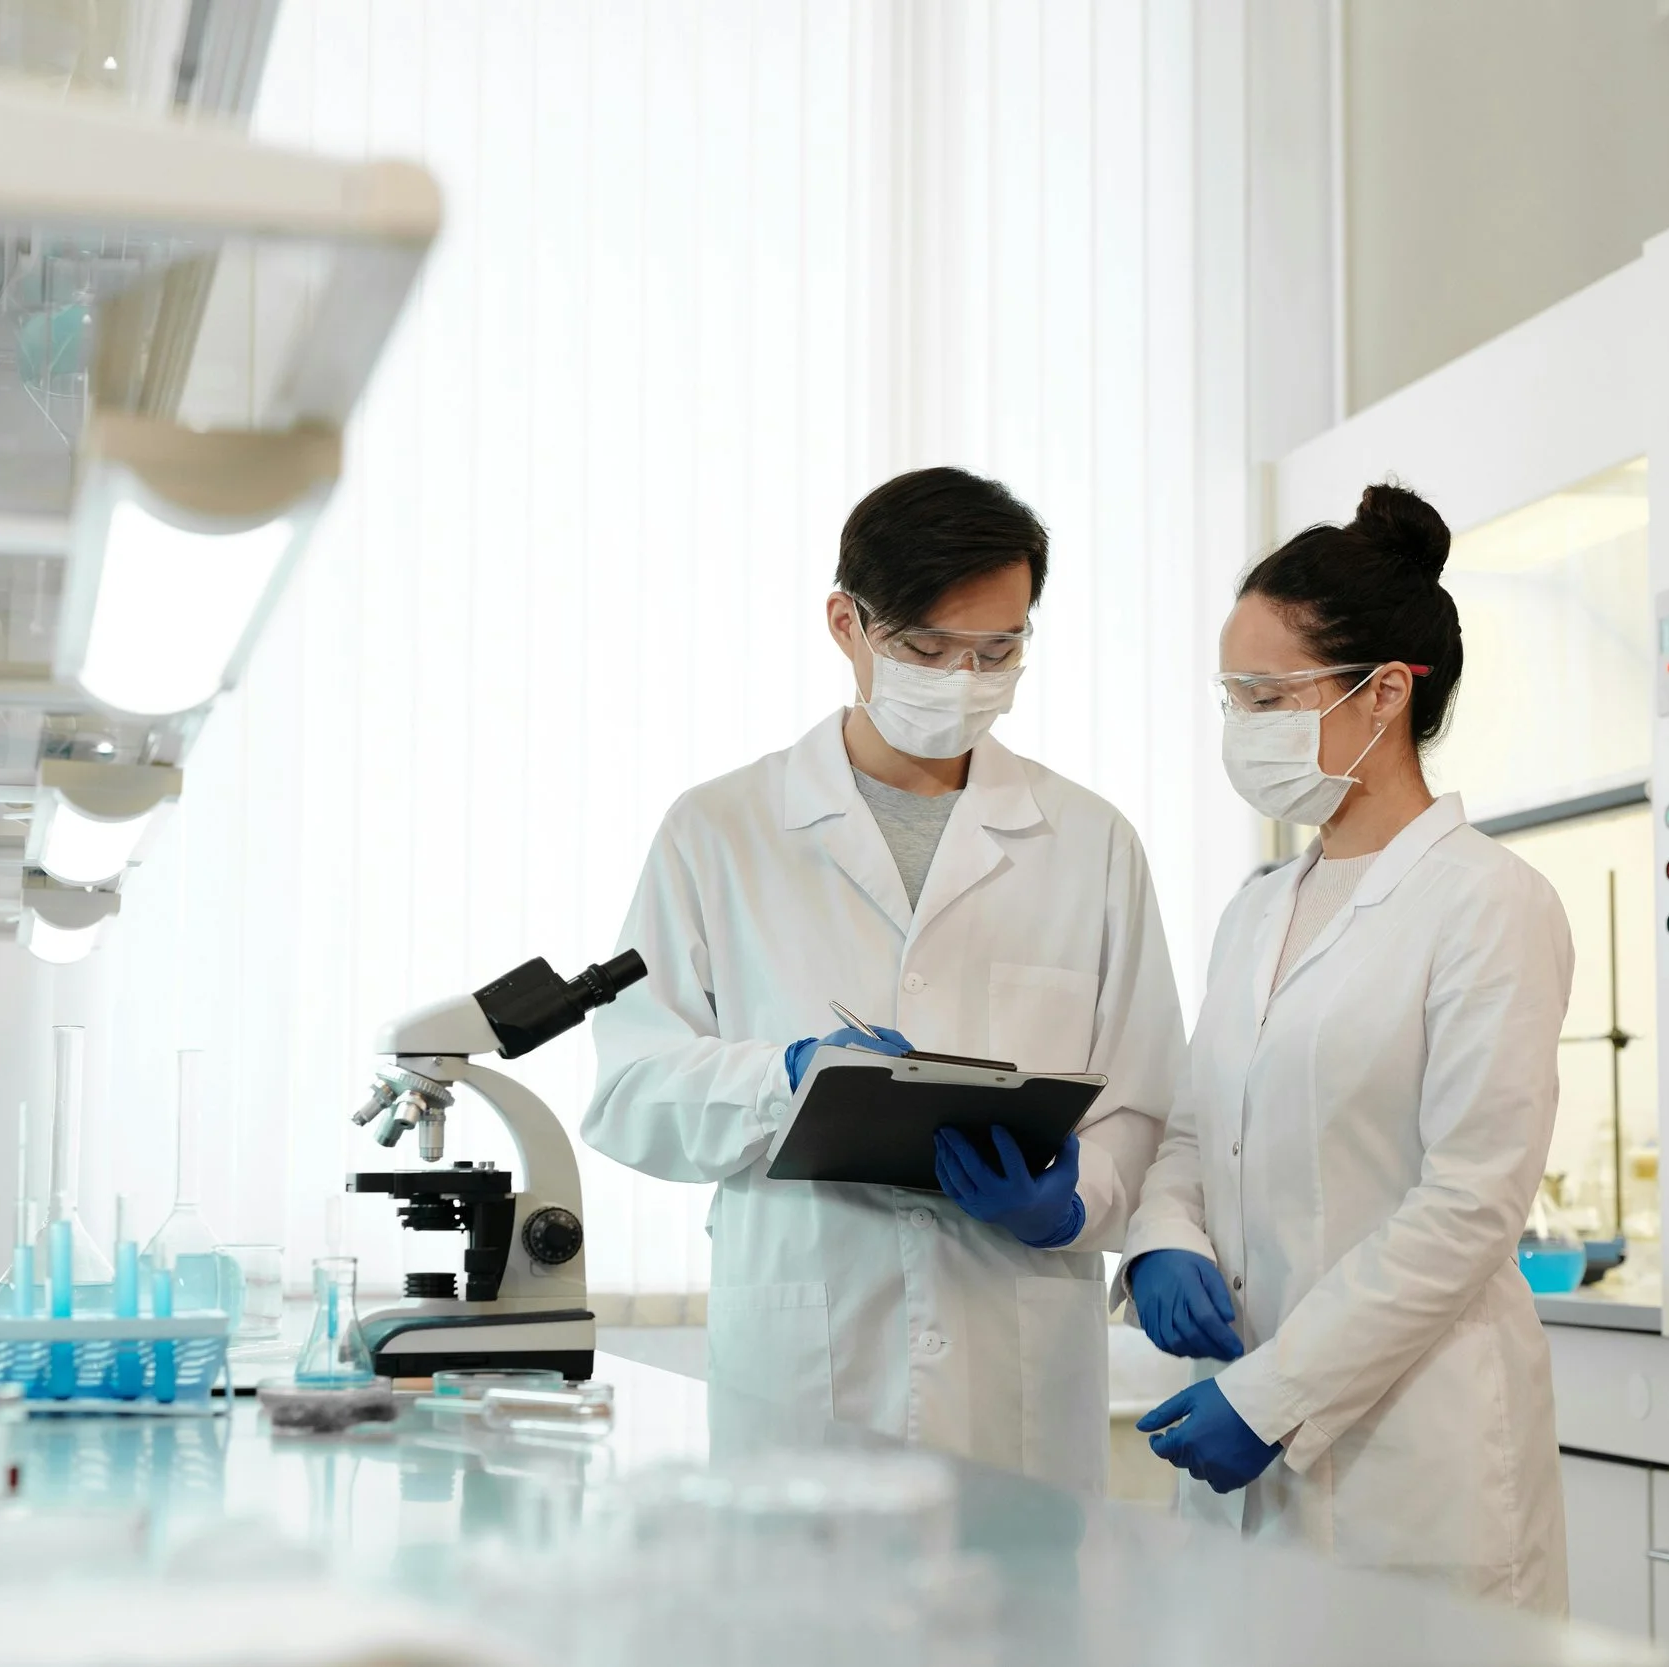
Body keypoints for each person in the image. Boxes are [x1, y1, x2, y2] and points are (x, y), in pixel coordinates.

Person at [584, 466, 1186, 1492]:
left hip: (1015, 1374)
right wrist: (787, 1075)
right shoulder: (721, 830)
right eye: (925, 648)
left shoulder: (1088, 842)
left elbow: (1146, 1098)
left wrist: (1071, 1200)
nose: (962, 678)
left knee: (1021, 1635)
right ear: (845, 623)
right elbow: (630, 1087)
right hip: (808, 1377)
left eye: (997, 650)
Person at [1121, 482, 1572, 1611]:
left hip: (1413, 1462)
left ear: (1383, 694)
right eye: (1231, 697)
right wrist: (1159, 1237)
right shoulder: (1257, 905)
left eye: (1267, 695)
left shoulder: (1488, 902)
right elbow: (1191, 1125)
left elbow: (1469, 1202)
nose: (1240, 728)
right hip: (1247, 1453)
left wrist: (1275, 1393)